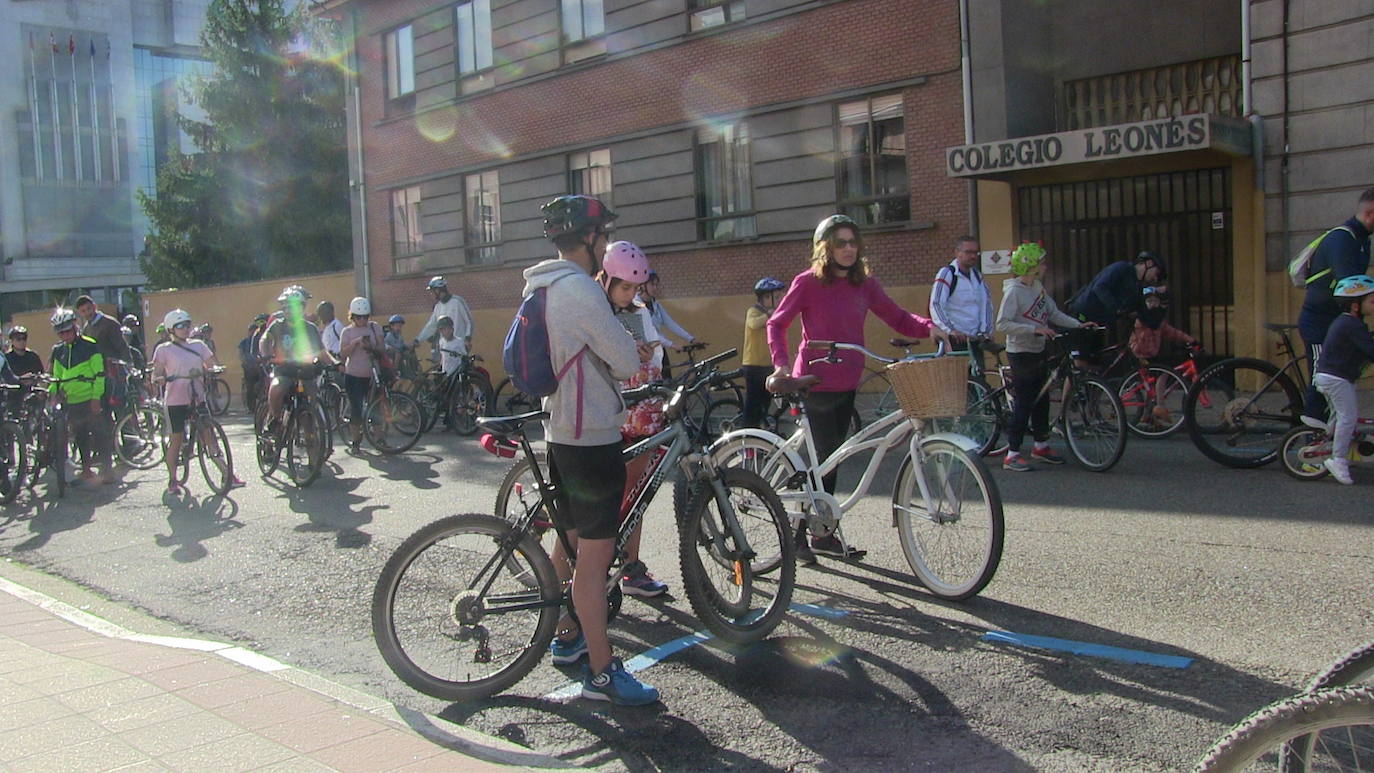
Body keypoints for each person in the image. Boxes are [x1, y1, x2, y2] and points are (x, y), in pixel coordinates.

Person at [527, 194, 657, 705]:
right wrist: (628, 351)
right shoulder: (580, 290)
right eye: (602, 235)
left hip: (561, 432)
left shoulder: (541, 284)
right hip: (592, 436)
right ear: (588, 238)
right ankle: (602, 673)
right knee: (595, 562)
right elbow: (626, 362)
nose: (604, 244)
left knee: (570, 542)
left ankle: (565, 638)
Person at [767, 214, 945, 563]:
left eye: (853, 243)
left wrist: (929, 328)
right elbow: (777, 323)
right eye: (840, 243)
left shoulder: (865, 285)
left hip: (848, 380)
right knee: (822, 460)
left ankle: (823, 534)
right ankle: (799, 536)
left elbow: (896, 317)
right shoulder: (807, 282)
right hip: (815, 382)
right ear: (826, 249)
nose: (848, 249)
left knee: (836, 459)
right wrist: (781, 364)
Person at [599, 240, 669, 598]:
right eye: (624, 287)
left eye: (634, 288)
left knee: (637, 492)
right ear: (606, 280)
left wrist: (648, 355)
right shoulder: (596, 311)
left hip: (643, 414)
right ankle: (595, 569)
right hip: (608, 414)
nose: (630, 295)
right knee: (608, 493)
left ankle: (631, 567)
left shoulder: (640, 311)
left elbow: (656, 358)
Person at [995, 242, 1093, 472]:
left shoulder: (1037, 286)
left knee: (1042, 399)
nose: (1045, 265)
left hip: (1038, 349)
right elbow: (1002, 324)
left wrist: (1079, 325)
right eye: (1041, 262)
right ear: (1030, 266)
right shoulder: (1013, 292)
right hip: (1021, 352)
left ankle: (1041, 445)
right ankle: (1012, 453)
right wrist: (1034, 329)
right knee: (1025, 401)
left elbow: (1053, 313)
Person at [1297, 187, 1374, 422]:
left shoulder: (1361, 240)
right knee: (1322, 380)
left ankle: (1333, 437)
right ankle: (1313, 442)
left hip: (1336, 321)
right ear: (1370, 213)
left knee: (1338, 379)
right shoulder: (1342, 239)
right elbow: (1350, 286)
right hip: (1320, 322)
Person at [151, 309, 240, 494]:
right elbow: (157, 371)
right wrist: (159, 378)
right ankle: (173, 480)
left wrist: (215, 369)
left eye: (187, 325)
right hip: (176, 400)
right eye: (180, 326)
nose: (185, 329)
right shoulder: (163, 349)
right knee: (176, 439)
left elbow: (210, 363)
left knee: (209, 434)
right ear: (171, 329)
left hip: (197, 396)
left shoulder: (199, 345)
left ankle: (227, 473)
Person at [1311, 275, 1374, 485]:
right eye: (1372, 301)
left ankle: (1327, 450)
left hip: (1335, 376)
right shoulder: (1351, 325)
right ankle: (1338, 460)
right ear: (1356, 306)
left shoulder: (1350, 323)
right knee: (1348, 416)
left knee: (1340, 417)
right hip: (1336, 378)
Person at [49, 308, 114, 484]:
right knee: (81, 436)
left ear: (75, 327)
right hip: (72, 401)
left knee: (100, 434)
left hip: (91, 398)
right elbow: (56, 377)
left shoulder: (90, 345)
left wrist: (95, 398)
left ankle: (107, 470)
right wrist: (54, 394)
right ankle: (86, 470)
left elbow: (99, 374)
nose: (65, 335)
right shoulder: (58, 351)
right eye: (60, 333)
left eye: (68, 331)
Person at [259, 286, 333, 437]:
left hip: (306, 373)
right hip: (284, 371)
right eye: (284, 307)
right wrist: (266, 354)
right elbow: (264, 339)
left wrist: (336, 363)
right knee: (277, 388)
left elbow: (321, 352)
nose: (287, 310)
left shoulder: (310, 328)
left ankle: (312, 446)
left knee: (309, 410)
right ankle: (274, 419)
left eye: (291, 307)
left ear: (301, 308)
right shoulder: (277, 325)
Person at [1127, 288, 1197, 430]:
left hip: (1152, 354)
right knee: (1163, 375)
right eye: (1149, 301)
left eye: (1155, 301)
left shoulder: (1158, 320)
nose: (1152, 304)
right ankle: (1160, 405)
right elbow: (1144, 332)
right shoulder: (1143, 319)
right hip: (1140, 354)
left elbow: (1173, 333)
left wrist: (1191, 340)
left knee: (1151, 386)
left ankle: (1147, 415)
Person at [929, 235, 995, 371]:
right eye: (968, 252)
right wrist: (950, 330)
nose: (973, 256)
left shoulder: (977, 276)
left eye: (975, 252)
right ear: (957, 253)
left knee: (979, 381)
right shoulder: (947, 274)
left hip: (975, 339)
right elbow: (936, 304)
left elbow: (986, 305)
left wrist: (986, 331)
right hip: (956, 339)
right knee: (958, 383)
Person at [1067, 250, 1167, 326]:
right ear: (1149, 263)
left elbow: (1138, 308)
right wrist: (1117, 309)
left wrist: (1156, 312)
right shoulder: (1122, 268)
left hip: (1097, 322)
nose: (1155, 279)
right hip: (1082, 315)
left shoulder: (1137, 287)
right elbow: (1100, 287)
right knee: (1080, 351)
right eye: (1156, 273)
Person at [338, 297, 386, 454]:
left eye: (365, 316)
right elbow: (343, 355)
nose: (362, 320)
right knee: (356, 410)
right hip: (354, 376)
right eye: (359, 317)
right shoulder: (347, 332)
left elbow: (381, 349)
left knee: (376, 409)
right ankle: (356, 442)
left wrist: (370, 346)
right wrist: (355, 343)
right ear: (352, 316)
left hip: (373, 375)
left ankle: (380, 439)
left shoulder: (375, 328)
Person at [74, 295, 134, 413]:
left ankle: (127, 431)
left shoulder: (110, 323)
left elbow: (122, 347)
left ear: (95, 307)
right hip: (99, 376)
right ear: (80, 313)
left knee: (120, 409)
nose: (87, 313)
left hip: (115, 373)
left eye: (89, 309)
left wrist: (128, 365)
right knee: (104, 410)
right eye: (83, 311)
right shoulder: (86, 329)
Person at [742, 277, 785, 429]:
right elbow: (753, 324)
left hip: (768, 366)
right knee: (752, 405)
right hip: (753, 366)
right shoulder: (753, 311)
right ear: (766, 297)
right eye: (776, 297)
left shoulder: (772, 313)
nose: (779, 299)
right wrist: (769, 315)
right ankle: (747, 435)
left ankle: (760, 431)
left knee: (765, 403)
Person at [639, 270, 693, 378]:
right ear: (643, 285)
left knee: (667, 379)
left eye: (656, 285)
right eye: (652, 284)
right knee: (654, 384)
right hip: (644, 351)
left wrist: (691, 338)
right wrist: (672, 344)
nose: (655, 288)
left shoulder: (656, 304)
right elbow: (650, 332)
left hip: (659, 349)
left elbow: (670, 323)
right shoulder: (637, 305)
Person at [415, 276, 475, 359]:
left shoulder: (457, 301)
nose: (431, 294)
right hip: (445, 348)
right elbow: (431, 326)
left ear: (439, 290)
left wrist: (467, 339)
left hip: (459, 346)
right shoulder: (438, 307)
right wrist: (418, 340)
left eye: (432, 291)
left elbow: (469, 322)